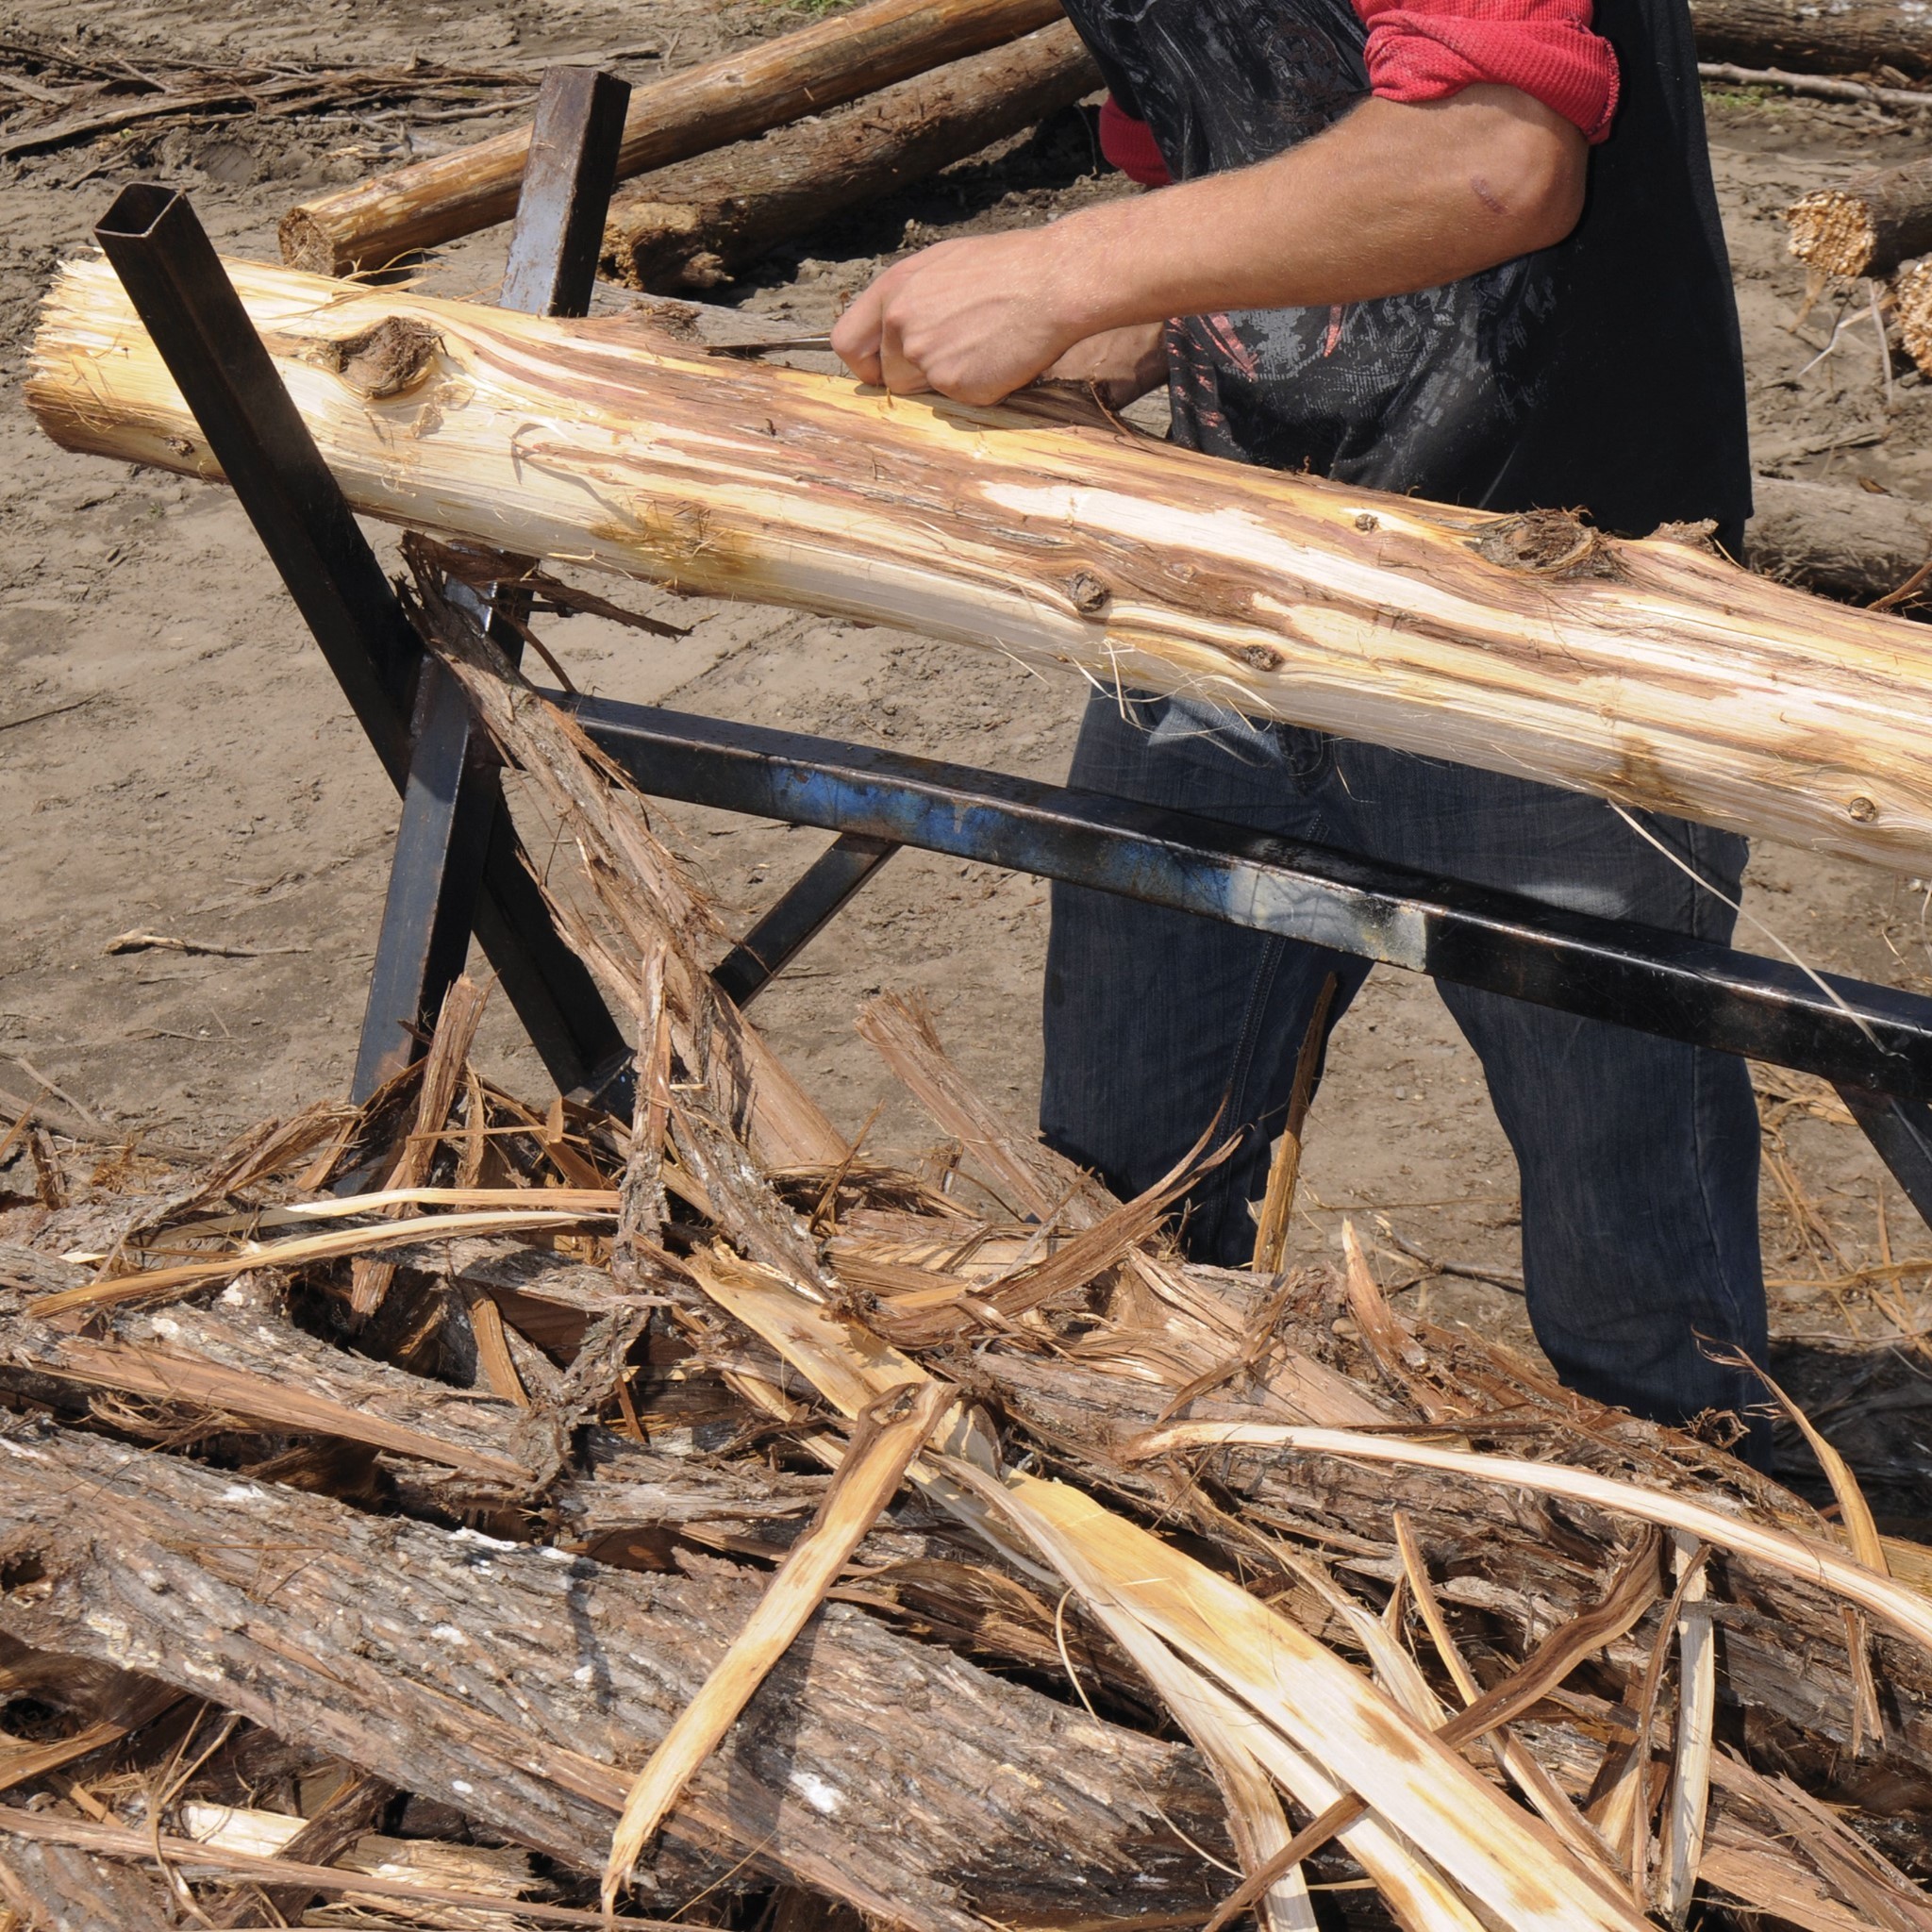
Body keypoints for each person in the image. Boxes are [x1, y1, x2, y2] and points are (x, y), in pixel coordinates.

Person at [828, 0, 1768, 1457]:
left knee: (1628, 1227)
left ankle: (1691, 1517)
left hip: (1545, 601)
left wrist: (1058, 270)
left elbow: (1487, 158)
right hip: (1238, 570)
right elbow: (1227, 144)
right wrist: (1126, 323)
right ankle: (1148, 1499)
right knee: (1122, 1183)